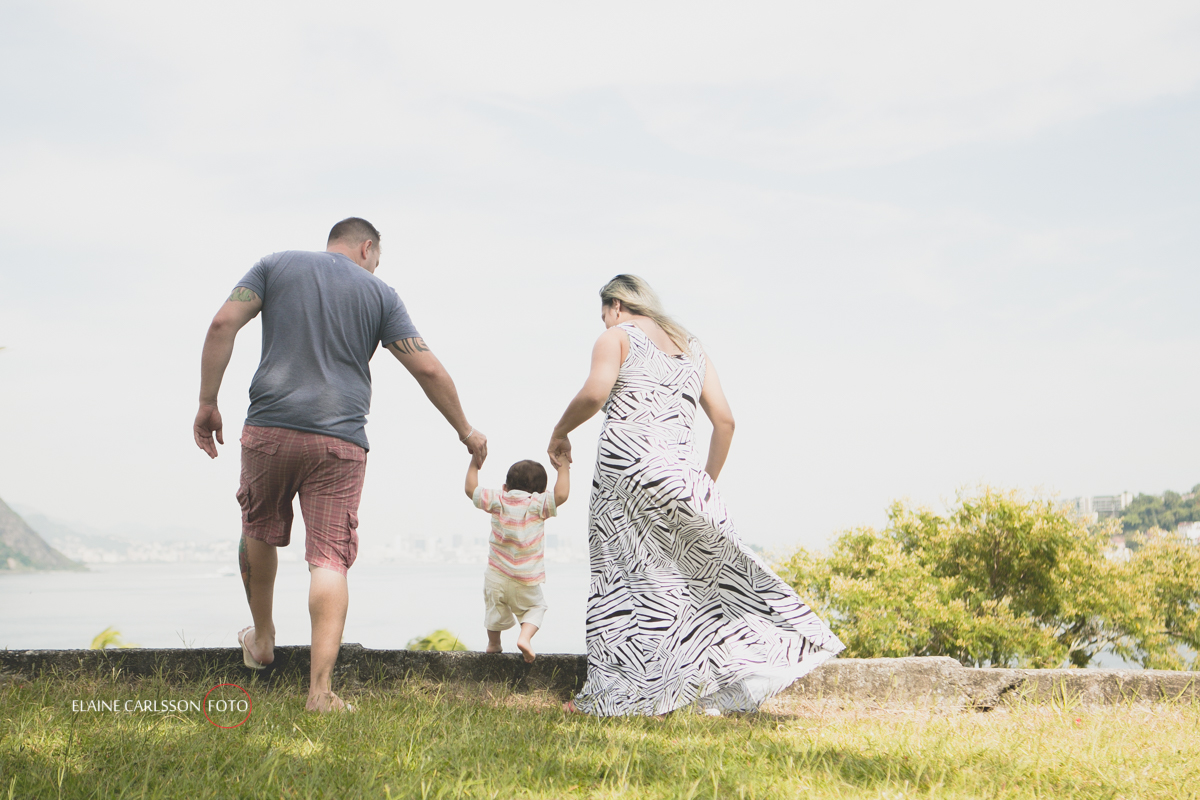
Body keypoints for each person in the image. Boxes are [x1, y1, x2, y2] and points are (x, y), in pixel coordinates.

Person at [193, 217, 487, 713]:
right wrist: (466, 430)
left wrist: (207, 402)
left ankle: (261, 641)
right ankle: (319, 692)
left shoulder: (273, 265)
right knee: (328, 559)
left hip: (269, 429)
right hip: (339, 441)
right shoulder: (381, 295)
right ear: (367, 248)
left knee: (257, 530)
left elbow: (222, 324)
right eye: (377, 260)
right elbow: (427, 367)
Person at [548, 274, 844, 716]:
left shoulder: (616, 336)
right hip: (683, 477)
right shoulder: (692, 347)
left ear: (616, 305)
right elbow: (726, 422)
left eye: (604, 313)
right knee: (701, 584)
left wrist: (559, 432)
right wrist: (703, 483)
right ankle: (696, 688)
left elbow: (595, 394)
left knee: (624, 587)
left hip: (625, 477)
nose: (605, 321)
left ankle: (610, 697)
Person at [465, 457, 569, 662]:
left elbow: (471, 490)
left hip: (496, 574)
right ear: (542, 492)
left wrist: (475, 462)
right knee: (536, 607)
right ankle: (524, 638)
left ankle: (493, 644)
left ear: (505, 487)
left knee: (494, 608)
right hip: (525, 578)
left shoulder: (498, 499)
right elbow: (561, 494)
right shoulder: (537, 503)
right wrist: (563, 467)